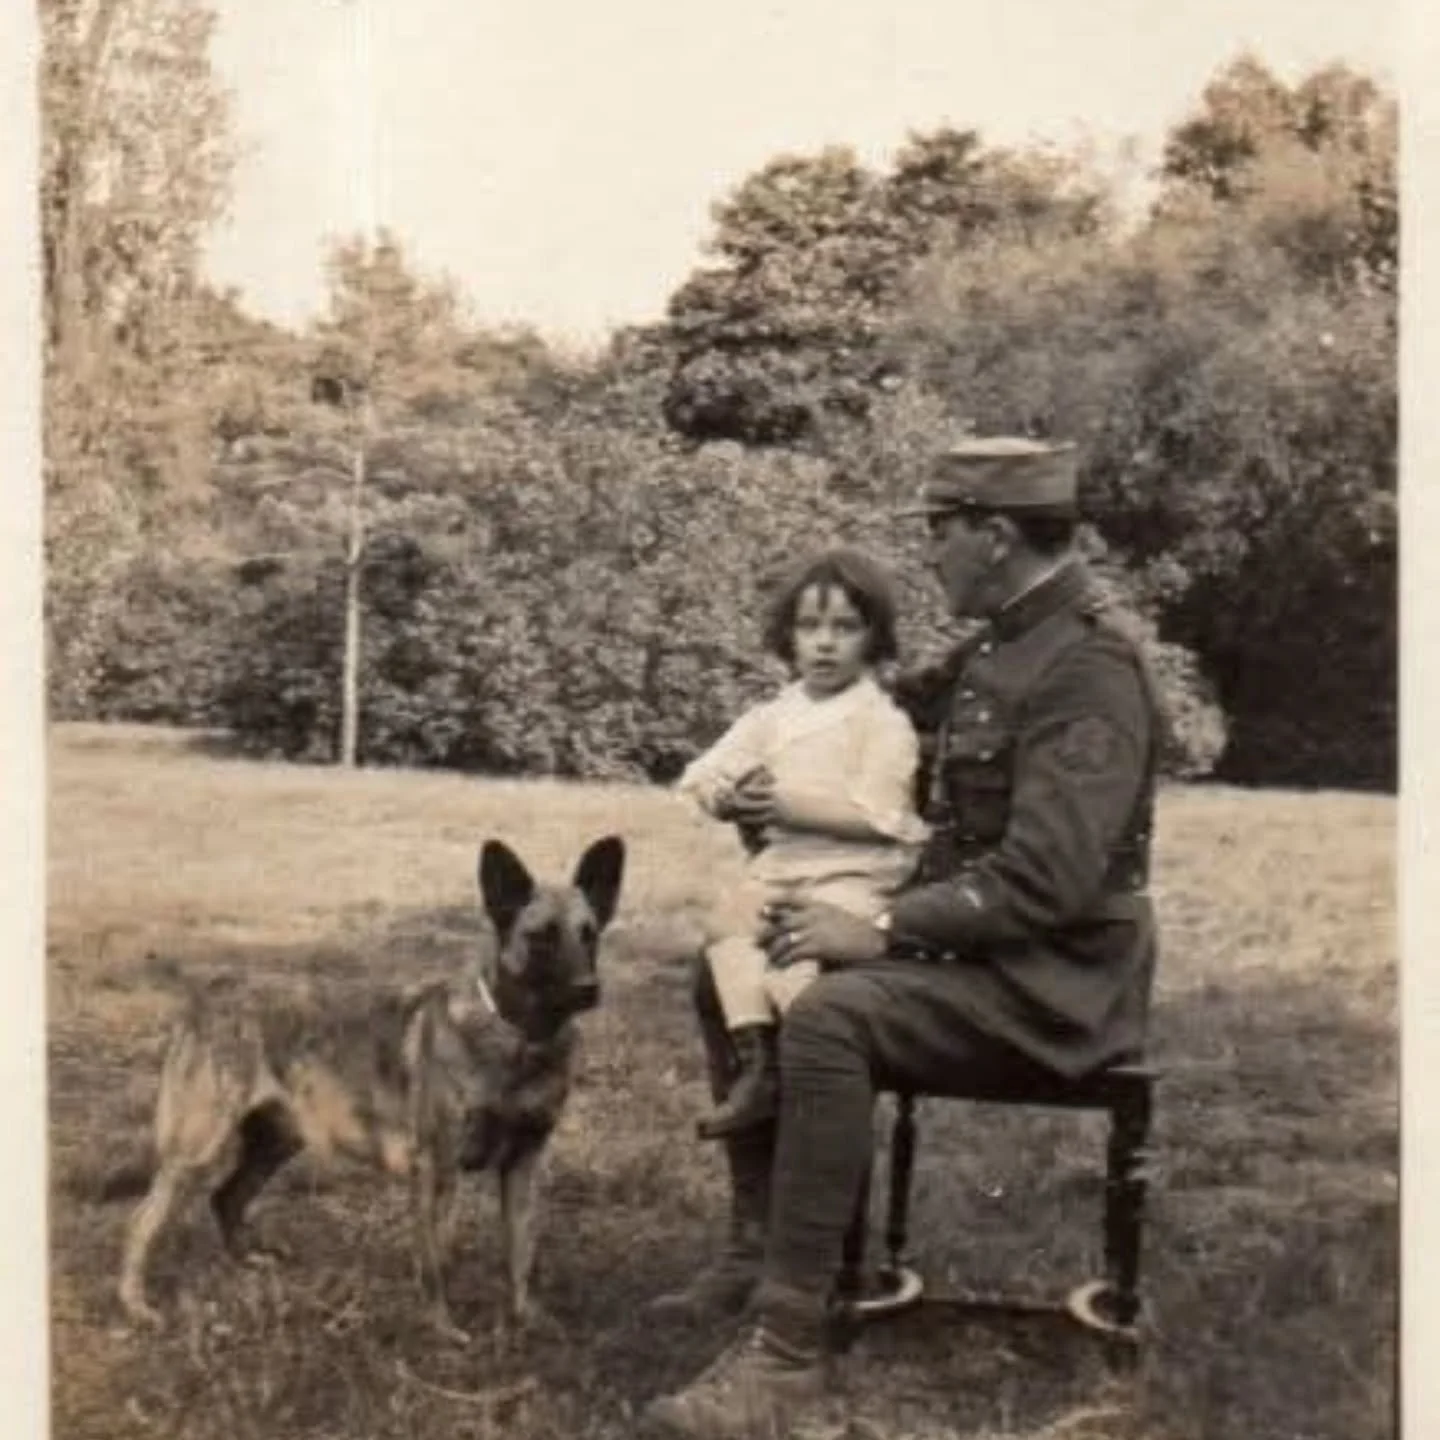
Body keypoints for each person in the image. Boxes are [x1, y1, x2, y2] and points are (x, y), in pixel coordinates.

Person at [640, 436, 1163, 1440]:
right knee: (736, 968)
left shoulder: (1089, 669)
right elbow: (855, 718)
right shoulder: (1003, 646)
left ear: (995, 535)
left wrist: (874, 924)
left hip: (1055, 987)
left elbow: (1048, 881)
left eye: (940, 531)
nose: (929, 556)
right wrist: (773, 785)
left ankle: (786, 1359)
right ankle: (759, 1254)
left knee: (832, 1016)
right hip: (988, 959)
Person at [675, 547, 929, 1140]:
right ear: (788, 635)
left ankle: (813, 1072)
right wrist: (724, 794)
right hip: (787, 866)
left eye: (845, 628)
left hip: (855, 873)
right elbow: (702, 774)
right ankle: (759, 1059)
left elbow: (884, 817)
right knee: (726, 926)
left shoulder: (879, 721)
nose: (823, 643)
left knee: (796, 955)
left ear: (874, 639)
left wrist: (790, 806)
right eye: (809, 626)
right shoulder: (775, 714)